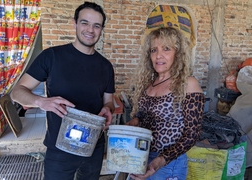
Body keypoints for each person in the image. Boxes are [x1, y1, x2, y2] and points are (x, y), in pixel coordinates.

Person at [10, 2, 115, 180]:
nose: (90, 29)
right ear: (74, 23)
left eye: (96, 25)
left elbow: (108, 101)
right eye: (85, 23)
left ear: (101, 29)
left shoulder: (106, 66)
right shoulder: (52, 56)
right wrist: (40, 101)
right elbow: (16, 92)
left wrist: (108, 109)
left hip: (93, 146)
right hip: (59, 149)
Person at [126, 27, 205, 180]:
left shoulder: (187, 84)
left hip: (169, 164)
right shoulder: (149, 83)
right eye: (153, 50)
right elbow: (143, 114)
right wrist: (135, 120)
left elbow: (191, 135)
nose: (158, 55)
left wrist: (159, 161)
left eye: (166, 49)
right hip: (141, 155)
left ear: (178, 53)